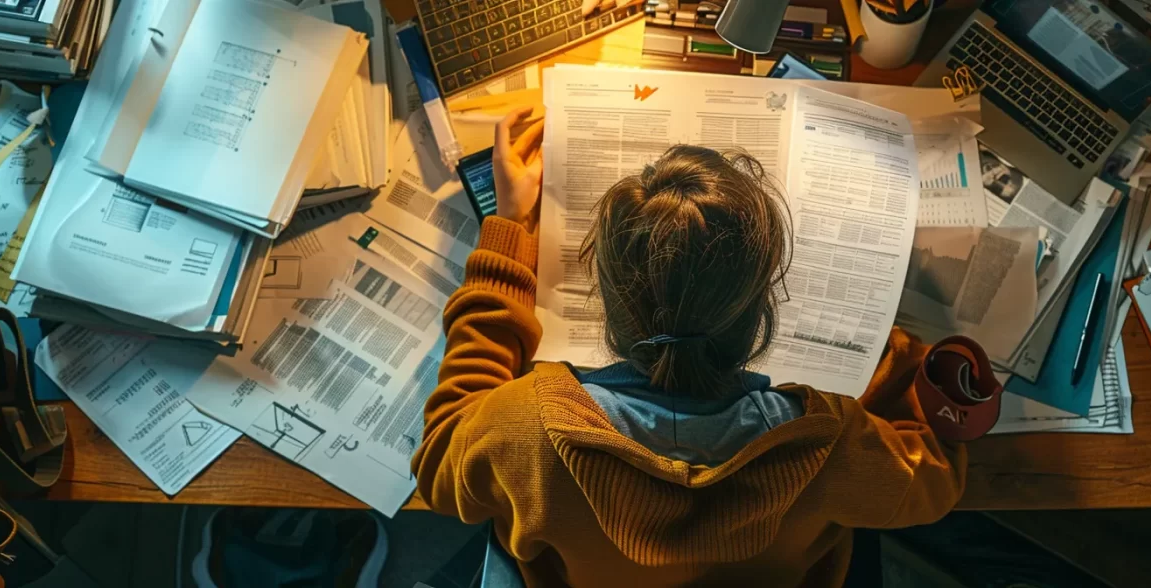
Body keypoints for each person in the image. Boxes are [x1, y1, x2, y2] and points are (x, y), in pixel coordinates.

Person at [413, 106, 966, 586]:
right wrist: (890, 353)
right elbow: (934, 482)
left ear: (608, 298)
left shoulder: (524, 434)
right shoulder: (829, 446)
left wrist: (510, 227)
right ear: (761, 308)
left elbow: (439, 457)